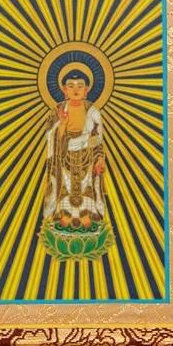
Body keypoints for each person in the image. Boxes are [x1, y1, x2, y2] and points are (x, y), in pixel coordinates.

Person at [44, 69, 106, 229]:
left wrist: (99, 158)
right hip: (64, 158)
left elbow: (98, 139)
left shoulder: (93, 112)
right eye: (71, 86)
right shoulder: (57, 111)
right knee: (64, 188)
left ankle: (88, 220)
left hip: (87, 158)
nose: (76, 89)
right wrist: (62, 124)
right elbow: (51, 139)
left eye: (80, 85)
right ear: (64, 90)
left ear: (86, 90)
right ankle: (63, 220)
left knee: (88, 188)